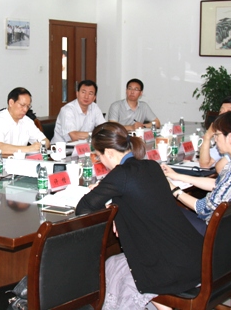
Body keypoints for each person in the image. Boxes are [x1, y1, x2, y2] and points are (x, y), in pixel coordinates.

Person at [76, 122, 202, 310]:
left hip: (171, 268)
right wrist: (114, 210)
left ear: (109, 153)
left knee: (115, 271)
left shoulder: (121, 174)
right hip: (196, 257)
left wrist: (109, 210)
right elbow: (137, 199)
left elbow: (83, 208)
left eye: (99, 156)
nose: (100, 161)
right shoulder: (152, 166)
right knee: (114, 264)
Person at [163, 111, 231, 235]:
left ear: (230, 137)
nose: (215, 140)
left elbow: (202, 208)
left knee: (167, 211)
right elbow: (217, 184)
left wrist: (173, 189)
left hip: (220, 232)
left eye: (217, 135)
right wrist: (177, 176)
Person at [0, 87, 49, 158]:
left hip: (17, 161)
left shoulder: (27, 121)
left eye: (28, 106)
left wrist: (41, 146)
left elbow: (45, 141)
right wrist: (29, 148)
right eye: (22, 105)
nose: (25, 109)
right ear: (11, 103)